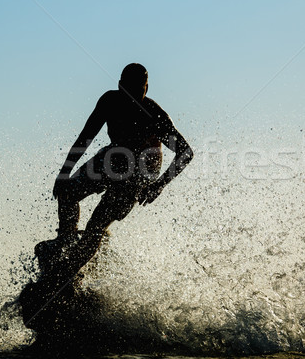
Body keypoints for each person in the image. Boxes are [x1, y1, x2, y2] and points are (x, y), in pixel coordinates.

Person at [36, 63, 194, 284]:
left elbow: (185, 152)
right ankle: (67, 239)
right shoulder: (109, 101)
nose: (135, 98)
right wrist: (64, 172)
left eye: (140, 91)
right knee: (67, 192)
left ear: (147, 89)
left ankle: (68, 272)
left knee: (96, 226)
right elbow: (86, 137)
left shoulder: (154, 115)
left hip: (141, 173)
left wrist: (159, 185)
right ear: (120, 86)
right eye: (130, 91)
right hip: (113, 158)